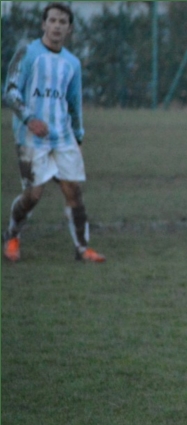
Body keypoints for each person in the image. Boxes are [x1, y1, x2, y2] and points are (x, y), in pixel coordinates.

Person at [1, 2, 105, 264]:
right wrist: (29, 119)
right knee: (33, 195)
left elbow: (74, 103)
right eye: (53, 20)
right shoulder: (28, 53)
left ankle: (82, 249)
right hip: (30, 137)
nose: (57, 26)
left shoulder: (72, 63)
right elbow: (10, 91)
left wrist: (78, 137)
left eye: (63, 22)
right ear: (43, 24)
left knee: (73, 191)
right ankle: (12, 235)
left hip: (63, 137)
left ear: (69, 29)